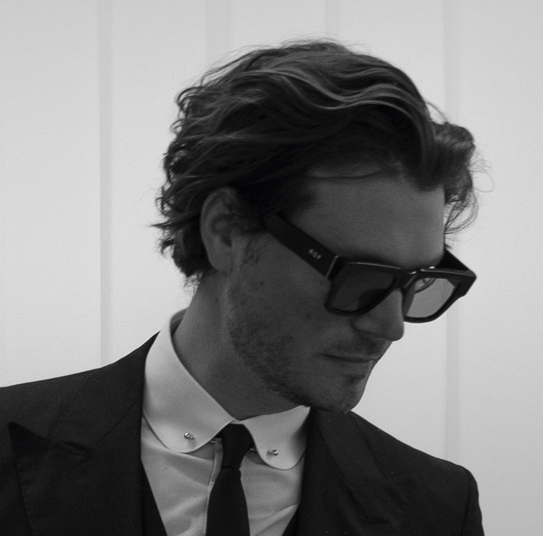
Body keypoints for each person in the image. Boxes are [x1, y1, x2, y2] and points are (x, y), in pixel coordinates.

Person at [0, 40, 484, 535]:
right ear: (226, 230)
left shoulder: (437, 510)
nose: (391, 325)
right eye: (360, 277)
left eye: (415, 283)